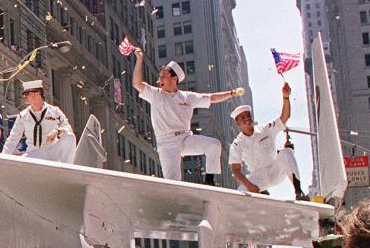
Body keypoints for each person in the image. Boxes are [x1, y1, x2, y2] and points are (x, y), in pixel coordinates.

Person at [131, 48, 241, 183]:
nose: (160, 78)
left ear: (174, 78)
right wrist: (139, 59)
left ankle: (210, 181)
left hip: (185, 138)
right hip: (166, 144)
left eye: (163, 75)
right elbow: (137, 83)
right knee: (173, 182)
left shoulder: (187, 97)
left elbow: (212, 98)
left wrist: (231, 93)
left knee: (214, 145)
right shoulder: (155, 94)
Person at [228, 82, 306, 199]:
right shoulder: (237, 144)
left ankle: (299, 192)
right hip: (257, 177)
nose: (247, 119)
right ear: (237, 123)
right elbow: (236, 170)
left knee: (286, 152)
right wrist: (250, 186)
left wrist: (286, 97)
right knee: (239, 194)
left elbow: (284, 117)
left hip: (275, 170)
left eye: (248, 115)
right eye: (243, 118)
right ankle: (261, 194)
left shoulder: (266, 129)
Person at [3, 79, 75, 162]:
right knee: (22, 163)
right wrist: (2, 158)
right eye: (23, 94)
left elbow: (68, 128)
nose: (24, 97)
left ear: (37, 94)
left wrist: (57, 131)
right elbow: (13, 138)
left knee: (70, 136)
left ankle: (66, 167)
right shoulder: (23, 116)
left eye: (26, 94)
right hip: (34, 153)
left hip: (52, 150)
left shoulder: (54, 111)